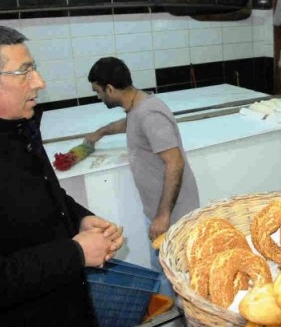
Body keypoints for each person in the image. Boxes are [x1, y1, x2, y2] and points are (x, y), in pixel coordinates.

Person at [0, 24, 124, 326]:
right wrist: (76, 253)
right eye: (24, 72)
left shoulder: (21, 126)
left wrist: (79, 217)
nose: (40, 82)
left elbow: (45, 194)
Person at [83, 57, 200, 299]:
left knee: (177, 274)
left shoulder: (149, 114)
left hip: (172, 214)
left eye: (98, 91)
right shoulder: (138, 107)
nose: (99, 97)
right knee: (163, 270)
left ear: (110, 89)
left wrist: (163, 215)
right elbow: (130, 123)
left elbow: (175, 162)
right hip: (161, 212)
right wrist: (101, 132)